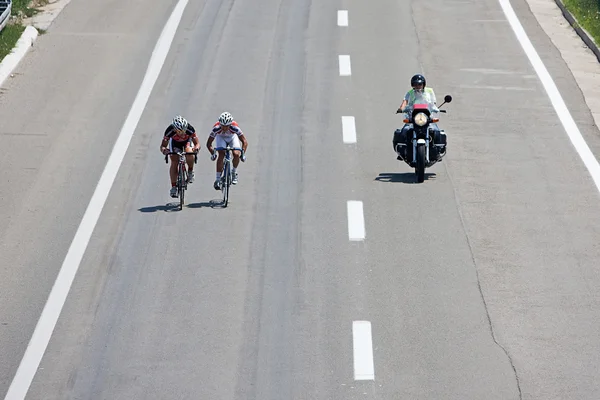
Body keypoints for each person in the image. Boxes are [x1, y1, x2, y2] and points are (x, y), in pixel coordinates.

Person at [393, 74, 441, 159]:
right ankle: (403, 152)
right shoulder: (410, 93)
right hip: (413, 117)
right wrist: (401, 108)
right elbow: (405, 102)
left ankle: (437, 153)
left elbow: (433, 103)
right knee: (404, 132)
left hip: (427, 117)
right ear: (412, 85)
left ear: (423, 84)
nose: (418, 86)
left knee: (436, 132)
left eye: (419, 84)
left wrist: (435, 108)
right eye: (415, 84)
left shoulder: (429, 91)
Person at [160, 115, 201, 198]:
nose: (182, 133)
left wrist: (196, 148)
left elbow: (197, 143)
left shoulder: (190, 129)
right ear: (175, 129)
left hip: (187, 142)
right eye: (180, 131)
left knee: (189, 152)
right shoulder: (169, 131)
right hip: (175, 143)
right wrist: (165, 151)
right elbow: (162, 146)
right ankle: (173, 187)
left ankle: (190, 171)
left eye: (184, 130)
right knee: (174, 161)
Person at [206, 111, 248, 190]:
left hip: (232, 137)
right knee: (221, 154)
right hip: (220, 137)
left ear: (230, 124)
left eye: (227, 126)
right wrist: (213, 153)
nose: (225, 128)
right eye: (223, 126)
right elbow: (208, 144)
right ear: (220, 124)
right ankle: (218, 179)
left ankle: (234, 172)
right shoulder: (216, 129)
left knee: (236, 154)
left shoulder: (235, 127)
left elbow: (244, 142)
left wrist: (242, 154)